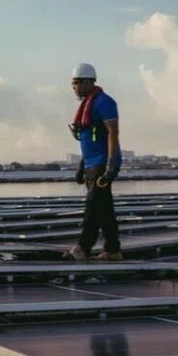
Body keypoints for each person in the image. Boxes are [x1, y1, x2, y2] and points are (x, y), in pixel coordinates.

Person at [63, 62, 123, 261]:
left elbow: (113, 133)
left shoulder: (104, 102)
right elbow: (89, 141)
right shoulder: (86, 106)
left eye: (78, 83)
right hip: (91, 163)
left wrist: (110, 165)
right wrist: (81, 166)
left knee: (92, 205)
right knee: (104, 208)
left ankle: (83, 247)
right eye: (73, 84)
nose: (75, 88)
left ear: (89, 81)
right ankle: (113, 250)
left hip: (102, 162)